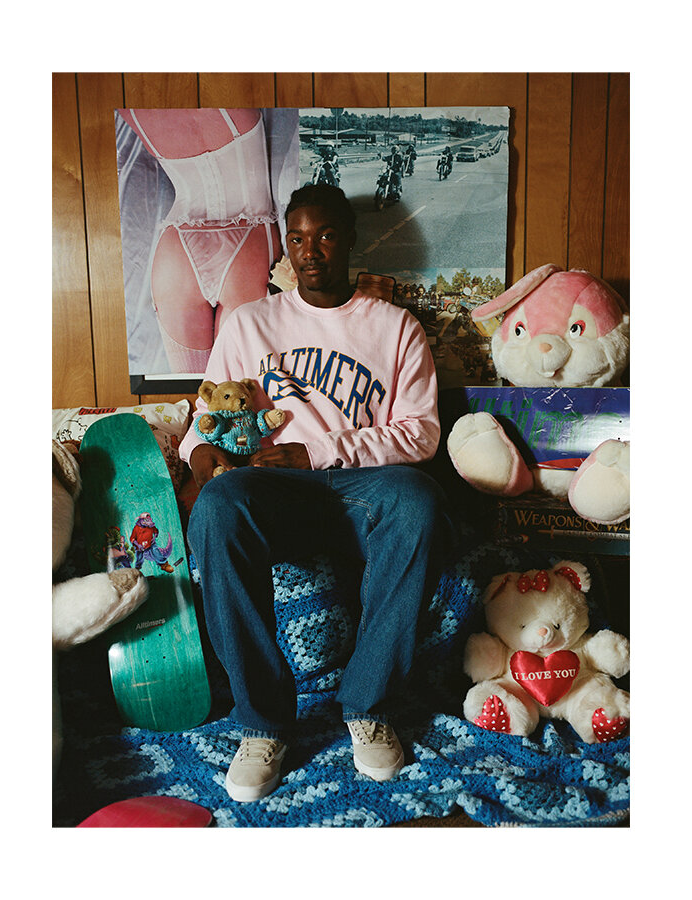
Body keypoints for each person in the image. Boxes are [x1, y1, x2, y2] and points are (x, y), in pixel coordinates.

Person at [178, 183, 454, 803]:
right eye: (298, 238)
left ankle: (368, 707)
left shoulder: (395, 327)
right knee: (218, 508)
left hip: (362, 487)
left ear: (349, 240)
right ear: (286, 245)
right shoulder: (249, 324)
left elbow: (421, 433)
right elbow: (205, 419)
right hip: (275, 490)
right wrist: (201, 456)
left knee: (418, 500)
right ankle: (262, 724)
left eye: (325, 236)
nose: (310, 251)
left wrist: (320, 450)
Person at [117, 108, 282, 373]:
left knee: (189, 387)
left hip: (178, 247)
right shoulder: (231, 90)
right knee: (242, 385)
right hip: (248, 238)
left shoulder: (130, 103)